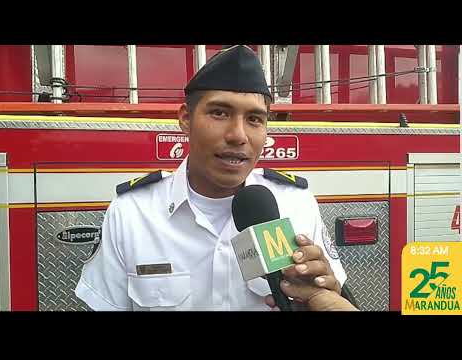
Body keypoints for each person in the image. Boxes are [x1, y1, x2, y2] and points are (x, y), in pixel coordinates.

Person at [75, 45, 358, 311]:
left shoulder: (296, 203)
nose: (238, 135)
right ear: (186, 119)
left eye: (255, 119)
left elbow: (327, 292)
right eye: (220, 113)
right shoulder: (132, 213)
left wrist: (323, 294)